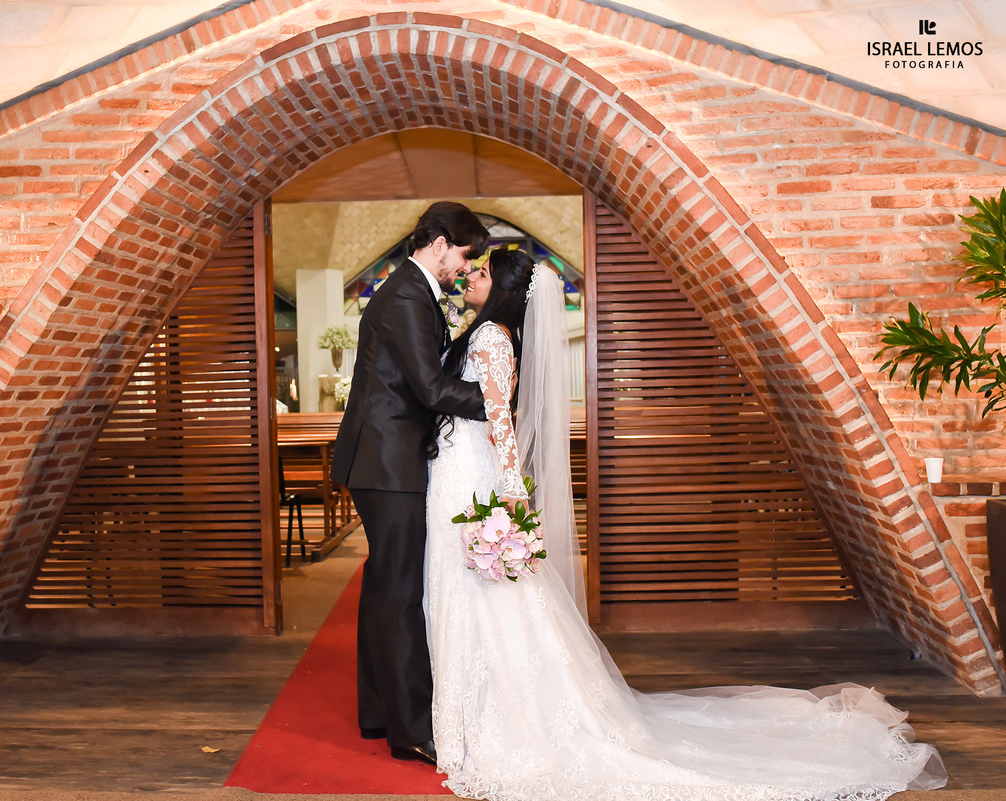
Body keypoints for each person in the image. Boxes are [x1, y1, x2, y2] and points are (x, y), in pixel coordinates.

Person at [423, 247, 947, 801]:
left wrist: (510, 493)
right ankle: (478, 709)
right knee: (485, 597)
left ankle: (491, 716)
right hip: (467, 470)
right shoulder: (488, 334)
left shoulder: (493, 337)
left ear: (503, 289)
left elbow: (501, 421)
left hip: (479, 477)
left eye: (480, 273)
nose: (469, 279)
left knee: (489, 597)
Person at [331, 201, 491, 766]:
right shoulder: (405, 294)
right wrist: (497, 401)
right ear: (441, 240)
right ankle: (408, 730)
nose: (460, 269)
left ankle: (379, 714)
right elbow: (429, 389)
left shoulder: (412, 291)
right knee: (399, 595)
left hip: (384, 459)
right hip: (388, 462)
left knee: (384, 589)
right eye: (463, 256)